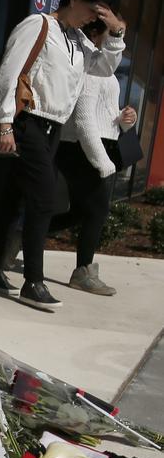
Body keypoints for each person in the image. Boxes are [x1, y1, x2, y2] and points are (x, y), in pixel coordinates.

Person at [0, 0, 126, 311]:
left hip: (53, 129)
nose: (94, 18)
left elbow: (104, 68)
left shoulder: (76, 39)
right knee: (44, 198)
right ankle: (33, 281)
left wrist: (116, 32)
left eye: (100, 15)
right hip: (28, 121)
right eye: (93, 10)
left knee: (14, 196)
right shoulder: (38, 25)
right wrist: (4, 124)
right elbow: (10, 73)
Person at [55, 18, 137, 295]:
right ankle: (83, 272)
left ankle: (22, 233)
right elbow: (83, 120)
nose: (117, 45)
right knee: (98, 209)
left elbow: (103, 116)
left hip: (93, 145)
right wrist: (103, 163)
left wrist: (125, 120)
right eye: (112, 36)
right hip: (83, 148)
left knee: (81, 210)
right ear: (94, 35)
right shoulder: (90, 70)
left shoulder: (104, 71)